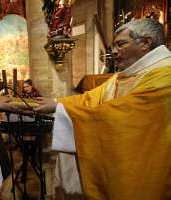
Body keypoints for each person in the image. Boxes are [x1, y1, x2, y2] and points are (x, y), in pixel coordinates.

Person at [34, 18, 171, 199]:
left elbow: (125, 113)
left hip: (144, 164)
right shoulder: (124, 75)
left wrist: (63, 111)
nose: (114, 51)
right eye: (114, 46)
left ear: (146, 43)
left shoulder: (166, 75)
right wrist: (57, 103)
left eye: (121, 44)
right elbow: (91, 99)